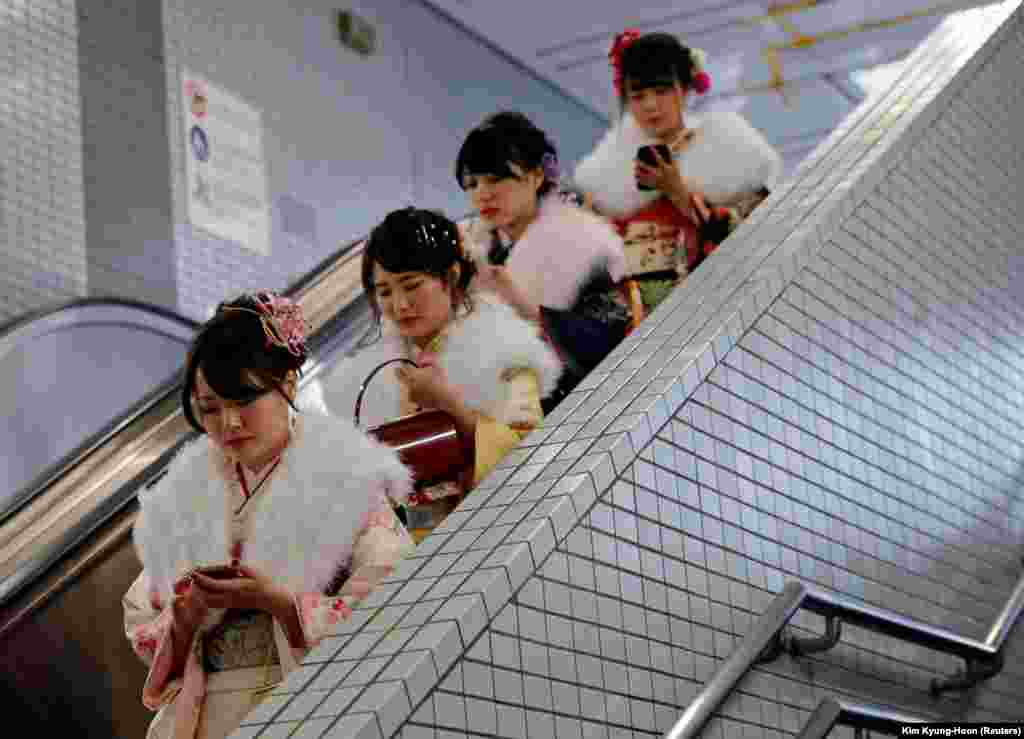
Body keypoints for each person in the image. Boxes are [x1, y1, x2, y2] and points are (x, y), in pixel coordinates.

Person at [123, 292, 414, 739]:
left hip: (304, 705)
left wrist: (278, 601)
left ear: (289, 383)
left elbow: (396, 603)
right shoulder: (184, 498)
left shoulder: (347, 476)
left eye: (245, 399)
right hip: (206, 718)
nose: (229, 424)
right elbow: (141, 616)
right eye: (211, 408)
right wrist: (186, 614)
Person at [321, 207, 562, 540]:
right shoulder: (371, 374)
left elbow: (531, 461)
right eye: (385, 291)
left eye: (411, 285)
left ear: (449, 277)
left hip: (497, 535)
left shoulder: (503, 349)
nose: (400, 305)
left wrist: (448, 404)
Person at [574, 30, 783, 315]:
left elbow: (756, 239)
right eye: (637, 96)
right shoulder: (609, 169)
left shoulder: (731, 148)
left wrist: (678, 192)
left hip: (705, 308)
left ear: (684, 89)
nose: (650, 105)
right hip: (631, 319)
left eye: (661, 91)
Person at [456, 111, 635, 410]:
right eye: (472, 184)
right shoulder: (483, 254)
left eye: (496, 178)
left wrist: (528, 309)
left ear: (537, 176)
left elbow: (614, 342)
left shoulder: (582, 245)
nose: (483, 194)